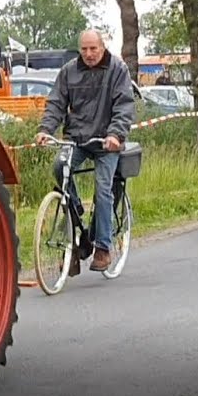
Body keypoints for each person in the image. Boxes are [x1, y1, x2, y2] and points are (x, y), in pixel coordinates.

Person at [35, 29, 137, 273]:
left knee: (103, 189)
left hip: (106, 141)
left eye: (93, 49)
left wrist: (115, 135)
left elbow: (124, 106)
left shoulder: (117, 70)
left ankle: (102, 247)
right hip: (77, 139)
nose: (89, 54)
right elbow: (56, 103)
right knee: (60, 169)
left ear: (103, 47)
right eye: (84, 49)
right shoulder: (69, 71)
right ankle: (74, 223)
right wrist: (45, 129)